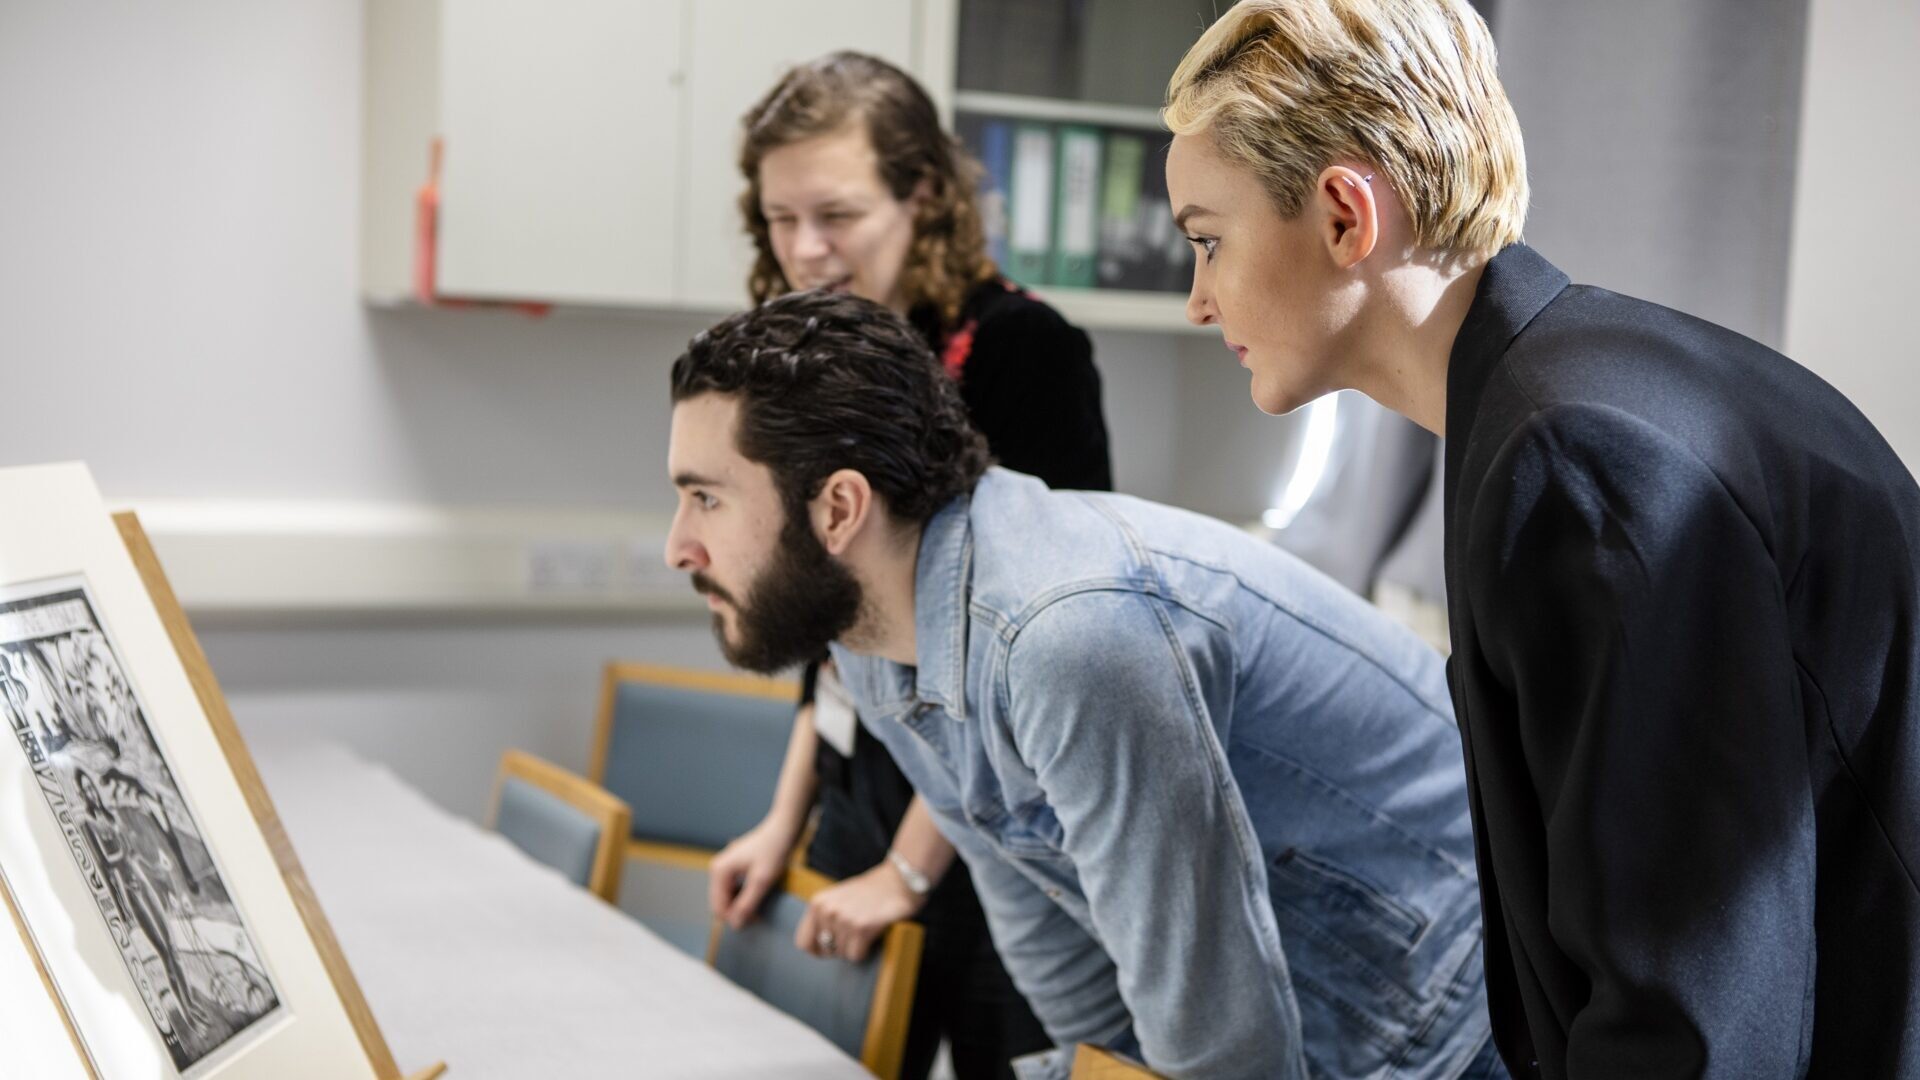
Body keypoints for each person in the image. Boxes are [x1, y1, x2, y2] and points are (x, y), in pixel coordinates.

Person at [1162, 2, 1920, 1077]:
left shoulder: (1576, 457)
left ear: (1343, 214)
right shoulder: (1568, 391)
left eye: (1207, 240)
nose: (1197, 299)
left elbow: (1691, 1017)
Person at [666, 289, 1501, 1080]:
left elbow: (1212, 1018)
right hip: (1331, 1010)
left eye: (706, 499)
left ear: (840, 510)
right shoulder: (871, 641)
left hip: (1455, 1006)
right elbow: (1035, 914)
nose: (679, 548)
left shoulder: (1068, 634)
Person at [707, 51, 1111, 1079]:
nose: (805, 249)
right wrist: (783, 819)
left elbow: (1026, 654)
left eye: (835, 215)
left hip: (990, 835)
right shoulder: (813, 358)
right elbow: (828, 620)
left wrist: (908, 873)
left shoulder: (1024, 350)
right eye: (779, 219)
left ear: (921, 193)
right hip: (865, 793)